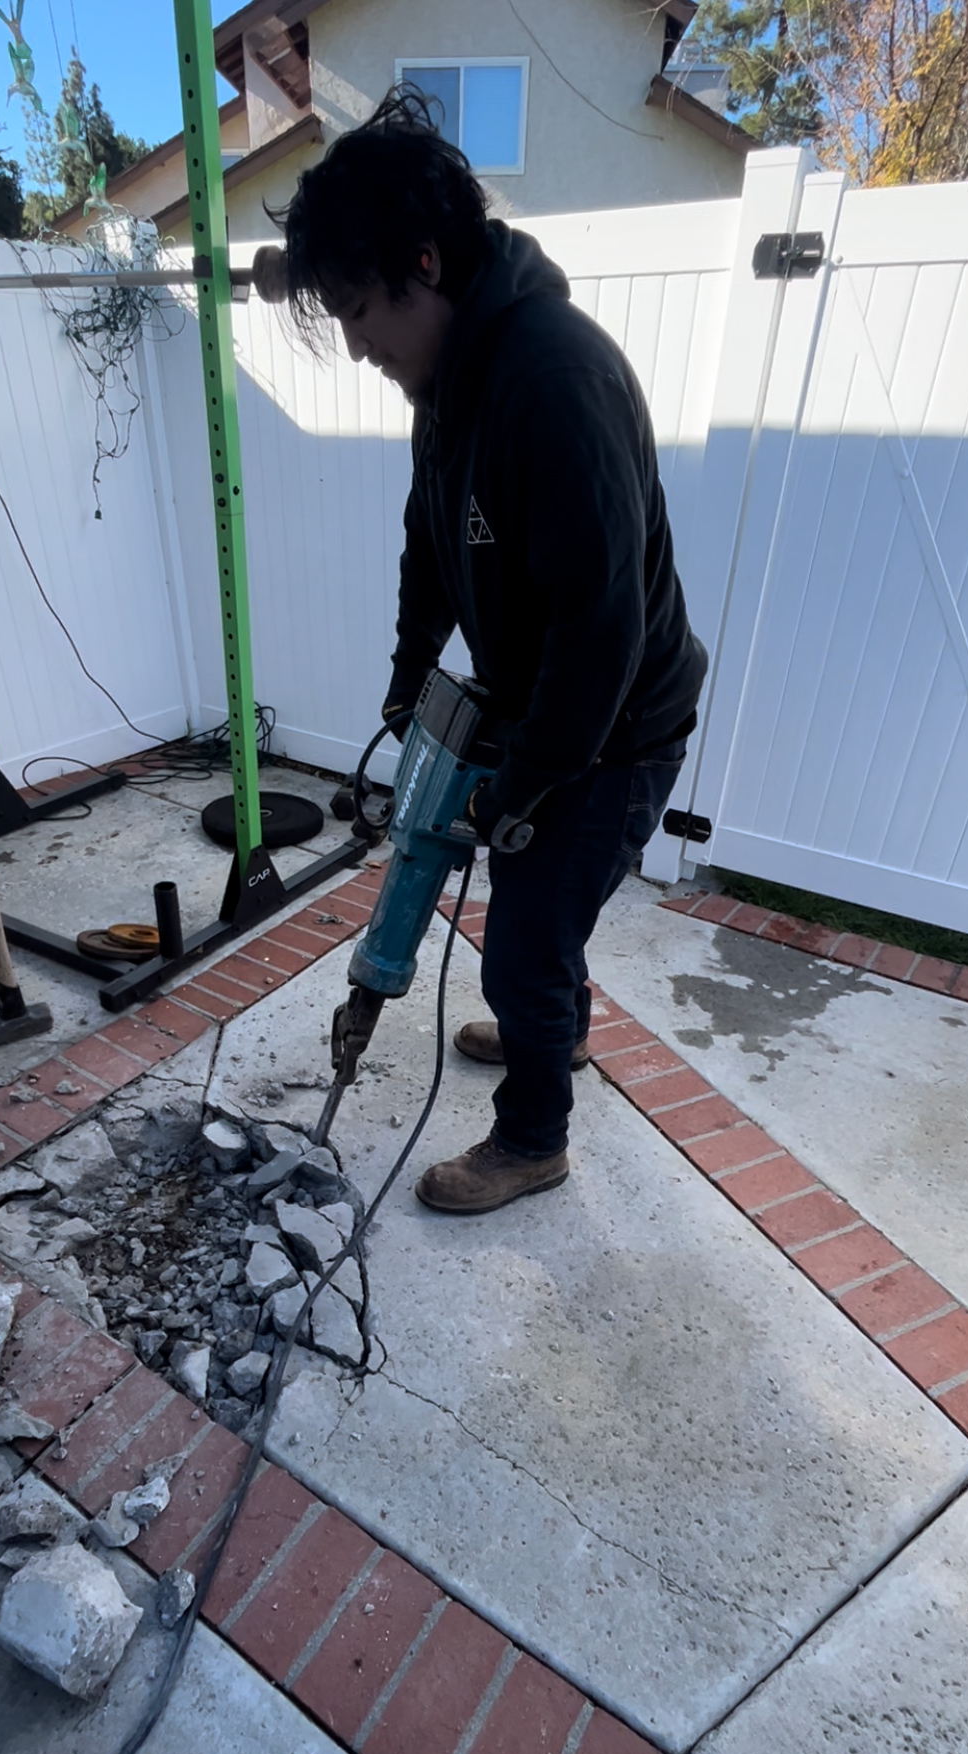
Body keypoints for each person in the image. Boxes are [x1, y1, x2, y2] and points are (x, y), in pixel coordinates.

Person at [274, 87, 707, 1216]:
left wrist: (520, 786)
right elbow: (429, 541)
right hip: (547, 698)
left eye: (360, 310)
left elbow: (600, 627)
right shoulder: (448, 381)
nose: (357, 345)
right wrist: (409, 678)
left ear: (424, 263)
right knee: (536, 918)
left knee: (522, 936)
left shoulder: (553, 380)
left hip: (617, 725)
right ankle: (548, 1023)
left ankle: (531, 1140)